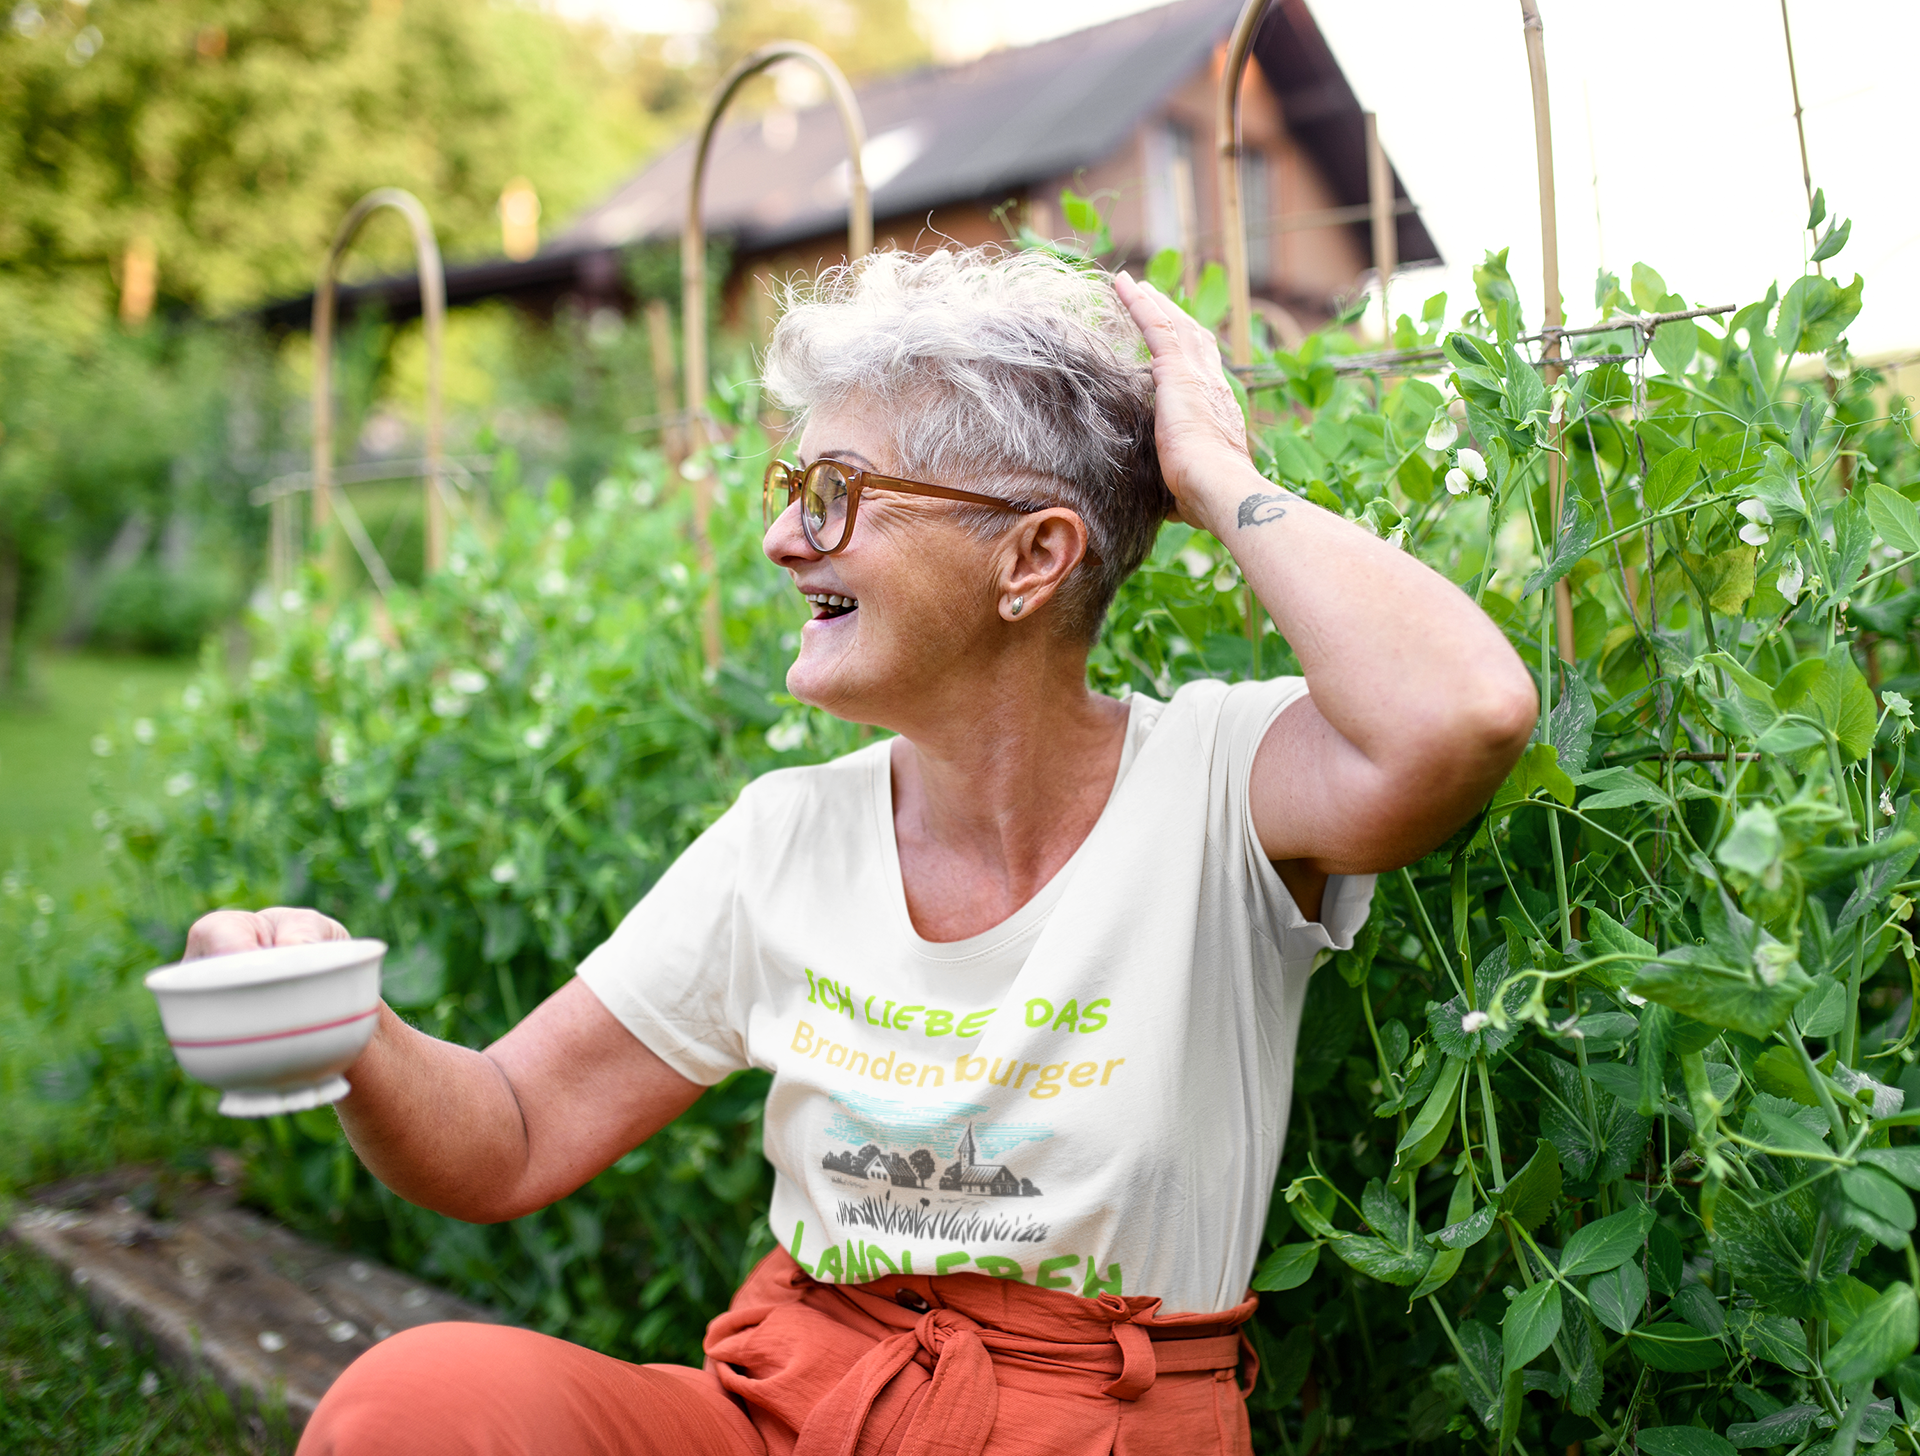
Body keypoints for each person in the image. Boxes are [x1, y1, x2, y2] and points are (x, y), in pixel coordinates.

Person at [191, 247, 1536, 1456]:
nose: (783, 538)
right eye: (793, 490)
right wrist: (349, 1026)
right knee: (419, 1406)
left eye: (835, 493)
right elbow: (511, 1134)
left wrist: (1215, 475)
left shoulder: (1219, 785)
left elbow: (1463, 714)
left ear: (1032, 559)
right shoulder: (787, 836)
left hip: (1095, 1430)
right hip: (794, 1408)